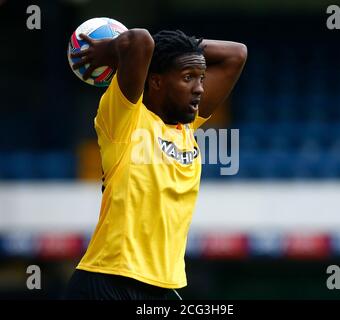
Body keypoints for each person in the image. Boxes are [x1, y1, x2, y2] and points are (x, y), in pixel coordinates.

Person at [65, 28, 247, 300]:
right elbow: (139, 41)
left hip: (160, 287)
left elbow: (237, 54)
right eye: (188, 78)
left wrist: (184, 48)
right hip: (108, 281)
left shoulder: (187, 127)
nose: (199, 88)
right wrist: (111, 50)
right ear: (157, 82)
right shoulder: (125, 119)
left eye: (201, 78)